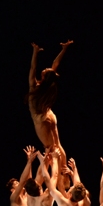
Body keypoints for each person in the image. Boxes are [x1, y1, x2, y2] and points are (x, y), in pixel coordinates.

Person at [27, 40, 73, 191]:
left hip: (41, 120)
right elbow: (55, 65)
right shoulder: (47, 86)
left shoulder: (35, 88)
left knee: (50, 151)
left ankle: (57, 184)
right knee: (57, 146)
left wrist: (35, 52)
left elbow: (33, 68)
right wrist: (64, 49)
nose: (46, 68)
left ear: (43, 75)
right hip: (50, 115)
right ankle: (64, 176)